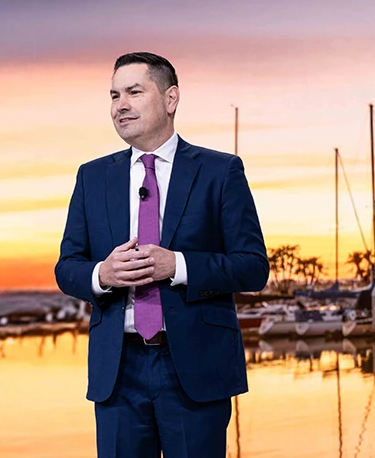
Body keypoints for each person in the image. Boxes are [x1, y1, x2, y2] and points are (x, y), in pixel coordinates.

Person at [55, 52, 269, 458]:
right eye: (114, 95)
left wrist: (178, 266)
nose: (121, 105)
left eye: (134, 92)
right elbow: (67, 268)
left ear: (171, 99)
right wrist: (103, 275)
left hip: (194, 368)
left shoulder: (220, 171)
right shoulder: (92, 176)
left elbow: (253, 267)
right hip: (118, 372)